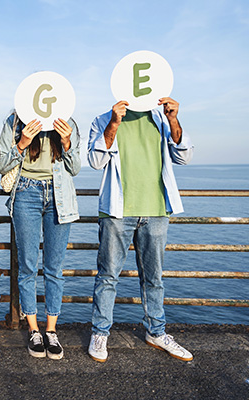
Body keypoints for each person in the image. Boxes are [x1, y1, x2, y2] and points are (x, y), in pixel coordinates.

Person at [87, 97, 194, 362]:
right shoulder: (103, 119)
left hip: (156, 209)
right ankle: (100, 334)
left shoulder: (160, 117)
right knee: (108, 276)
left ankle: (156, 332)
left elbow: (184, 155)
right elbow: (95, 160)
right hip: (116, 210)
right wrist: (114, 123)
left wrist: (172, 118)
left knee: (154, 278)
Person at [0, 112, 80, 359]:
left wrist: (66, 141)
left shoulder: (68, 120)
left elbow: (74, 168)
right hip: (25, 192)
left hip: (59, 195)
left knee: (54, 267)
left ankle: (51, 331)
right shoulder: (14, 121)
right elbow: (1, 165)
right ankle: (34, 330)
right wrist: (22, 143)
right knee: (28, 266)